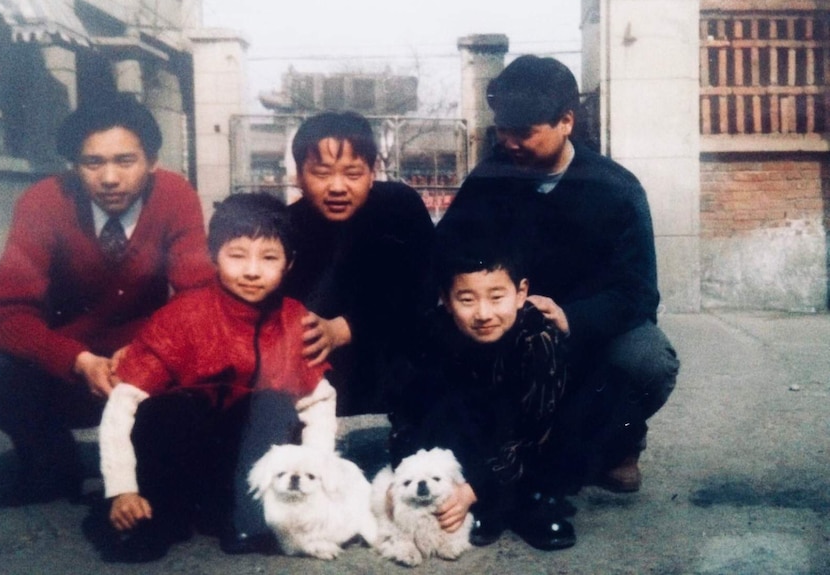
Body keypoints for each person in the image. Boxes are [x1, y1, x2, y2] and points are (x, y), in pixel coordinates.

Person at [436, 55, 679, 493]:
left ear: (566, 121)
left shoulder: (616, 189)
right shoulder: (490, 178)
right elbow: (447, 252)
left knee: (647, 359)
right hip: (506, 322)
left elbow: (638, 291)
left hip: (585, 328)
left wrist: (573, 317)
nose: (509, 142)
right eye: (502, 131)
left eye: (524, 132)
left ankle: (620, 440)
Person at [0, 95, 215, 508]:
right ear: (74, 167)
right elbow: (4, 313)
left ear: (152, 161)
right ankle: (49, 457)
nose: (110, 178)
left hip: (144, 362)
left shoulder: (174, 195)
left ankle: (152, 452)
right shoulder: (43, 202)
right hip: (65, 369)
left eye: (125, 160)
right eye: (92, 163)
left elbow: (198, 293)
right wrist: (77, 360)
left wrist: (147, 349)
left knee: (212, 353)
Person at [93, 193, 337, 562]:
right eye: (237, 255)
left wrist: (317, 475)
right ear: (213, 256)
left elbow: (319, 401)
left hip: (240, 464)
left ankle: (244, 516)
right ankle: (158, 514)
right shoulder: (184, 316)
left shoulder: (293, 320)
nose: (252, 271)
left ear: (289, 264)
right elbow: (123, 402)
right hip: (185, 454)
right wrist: (122, 488)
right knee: (169, 408)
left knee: (272, 404)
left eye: (269, 258)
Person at [388, 236, 575, 551]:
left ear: (521, 293)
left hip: (529, 444)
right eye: (467, 299)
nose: (483, 313)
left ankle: (529, 499)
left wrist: (474, 489)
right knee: (443, 406)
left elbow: (534, 430)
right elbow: (407, 414)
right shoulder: (433, 332)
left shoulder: (537, 339)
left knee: (557, 431)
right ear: (446, 301)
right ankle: (485, 501)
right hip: (470, 441)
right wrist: (403, 473)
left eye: (496, 297)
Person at [284, 111, 436, 416]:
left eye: (352, 173)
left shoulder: (400, 208)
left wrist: (344, 328)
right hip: (318, 391)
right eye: (322, 173)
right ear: (299, 175)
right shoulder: (287, 228)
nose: (337, 187)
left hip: (402, 380)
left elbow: (425, 292)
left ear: (372, 172)